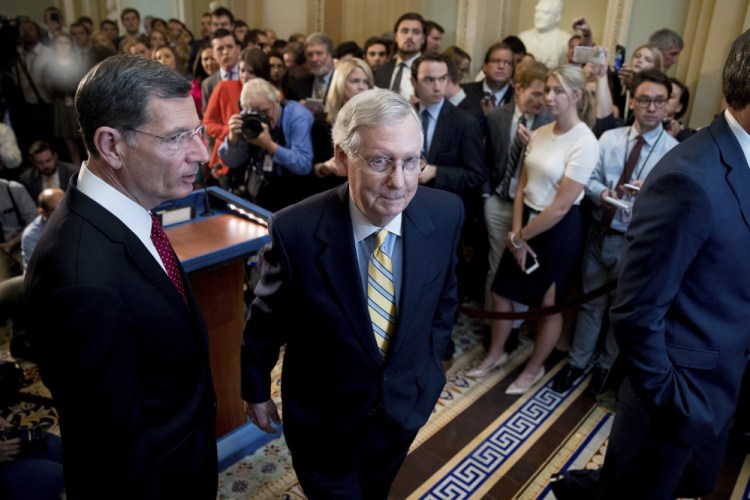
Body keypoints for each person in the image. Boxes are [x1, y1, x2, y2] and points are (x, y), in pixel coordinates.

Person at [554, 28, 750, 500]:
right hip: (679, 399)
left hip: (722, 383)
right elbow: (636, 311)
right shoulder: (690, 177)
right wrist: (672, 400)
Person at [241, 87, 464, 498]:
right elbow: (266, 320)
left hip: (403, 409)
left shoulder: (446, 212)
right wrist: (255, 388)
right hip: (323, 420)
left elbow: (444, 296)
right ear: (342, 158)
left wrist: (429, 366)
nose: (399, 182)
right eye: (380, 161)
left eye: (411, 162)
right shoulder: (295, 230)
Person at [24, 55, 218, 498]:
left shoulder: (126, 210)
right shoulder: (81, 284)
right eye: (176, 138)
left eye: (197, 131)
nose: (200, 153)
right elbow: (114, 452)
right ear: (111, 145)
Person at [551, 70, 679, 395]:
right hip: (599, 232)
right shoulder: (609, 139)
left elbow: (676, 205)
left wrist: (648, 191)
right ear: (632, 101)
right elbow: (589, 179)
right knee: (590, 304)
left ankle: (606, 371)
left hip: (637, 244)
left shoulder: (674, 152)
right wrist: (601, 193)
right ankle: (578, 363)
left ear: (668, 107)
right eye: (645, 100)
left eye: (659, 102)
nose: (651, 107)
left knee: (618, 312)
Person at [478, 64, 598, 394]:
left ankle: (532, 369)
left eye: (558, 91)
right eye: (547, 90)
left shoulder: (586, 142)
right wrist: (517, 233)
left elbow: (561, 205)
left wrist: (521, 237)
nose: (549, 97)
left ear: (576, 95)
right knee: (501, 292)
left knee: (548, 306)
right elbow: (521, 186)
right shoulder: (543, 132)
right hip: (526, 220)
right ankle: (495, 354)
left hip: (557, 230)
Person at [479, 60, 553, 342]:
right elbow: (486, 158)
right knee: (495, 263)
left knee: (520, 268)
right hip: (498, 202)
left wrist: (534, 145)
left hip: (532, 208)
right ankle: (492, 323)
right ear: (518, 88)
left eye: (546, 93)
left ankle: (513, 329)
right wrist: (487, 195)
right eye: (536, 93)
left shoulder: (550, 122)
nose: (542, 100)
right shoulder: (497, 117)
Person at [218, 78, 314, 211]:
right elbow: (230, 161)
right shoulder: (247, 117)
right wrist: (232, 139)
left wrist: (270, 146)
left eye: (265, 111)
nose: (261, 118)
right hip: (257, 187)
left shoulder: (298, 116)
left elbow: (304, 165)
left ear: (277, 101)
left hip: (291, 192)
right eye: (255, 113)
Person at [203, 48, 270, 188]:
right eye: (242, 70)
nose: (245, 76)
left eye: (251, 72)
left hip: (260, 162)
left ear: (261, 72)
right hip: (228, 158)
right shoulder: (224, 87)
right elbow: (207, 124)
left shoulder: (272, 95)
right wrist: (231, 131)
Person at [312, 57, 373, 184]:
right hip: (332, 188)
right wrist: (325, 167)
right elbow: (314, 169)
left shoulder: (376, 121)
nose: (362, 87)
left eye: (366, 82)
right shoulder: (323, 122)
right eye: (355, 81)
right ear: (340, 84)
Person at [374, 12, 426, 101]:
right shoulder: (381, 71)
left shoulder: (431, 71)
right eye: (405, 31)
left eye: (416, 32)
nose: (409, 36)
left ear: (423, 39)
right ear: (396, 36)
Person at [461, 43, 515, 117]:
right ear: (485, 66)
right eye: (496, 61)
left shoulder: (517, 98)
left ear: (512, 70)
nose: (501, 66)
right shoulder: (464, 92)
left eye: (507, 63)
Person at [0, 179, 37, 281]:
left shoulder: (13, 189)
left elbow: (33, 221)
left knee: (32, 275)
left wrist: (11, 244)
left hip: (19, 243)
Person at [21, 188, 64, 272]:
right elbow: (33, 273)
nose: (64, 211)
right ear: (42, 212)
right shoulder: (31, 235)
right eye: (56, 209)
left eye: (65, 205)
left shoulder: (79, 220)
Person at [519, 0, 572, 68]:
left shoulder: (566, 41)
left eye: (545, 13)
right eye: (537, 11)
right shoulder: (523, 37)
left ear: (558, 16)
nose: (539, 16)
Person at [201, 28, 241, 110]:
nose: (225, 52)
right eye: (220, 49)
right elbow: (208, 118)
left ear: (237, 49)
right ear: (213, 53)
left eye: (230, 47)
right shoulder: (208, 84)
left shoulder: (250, 75)